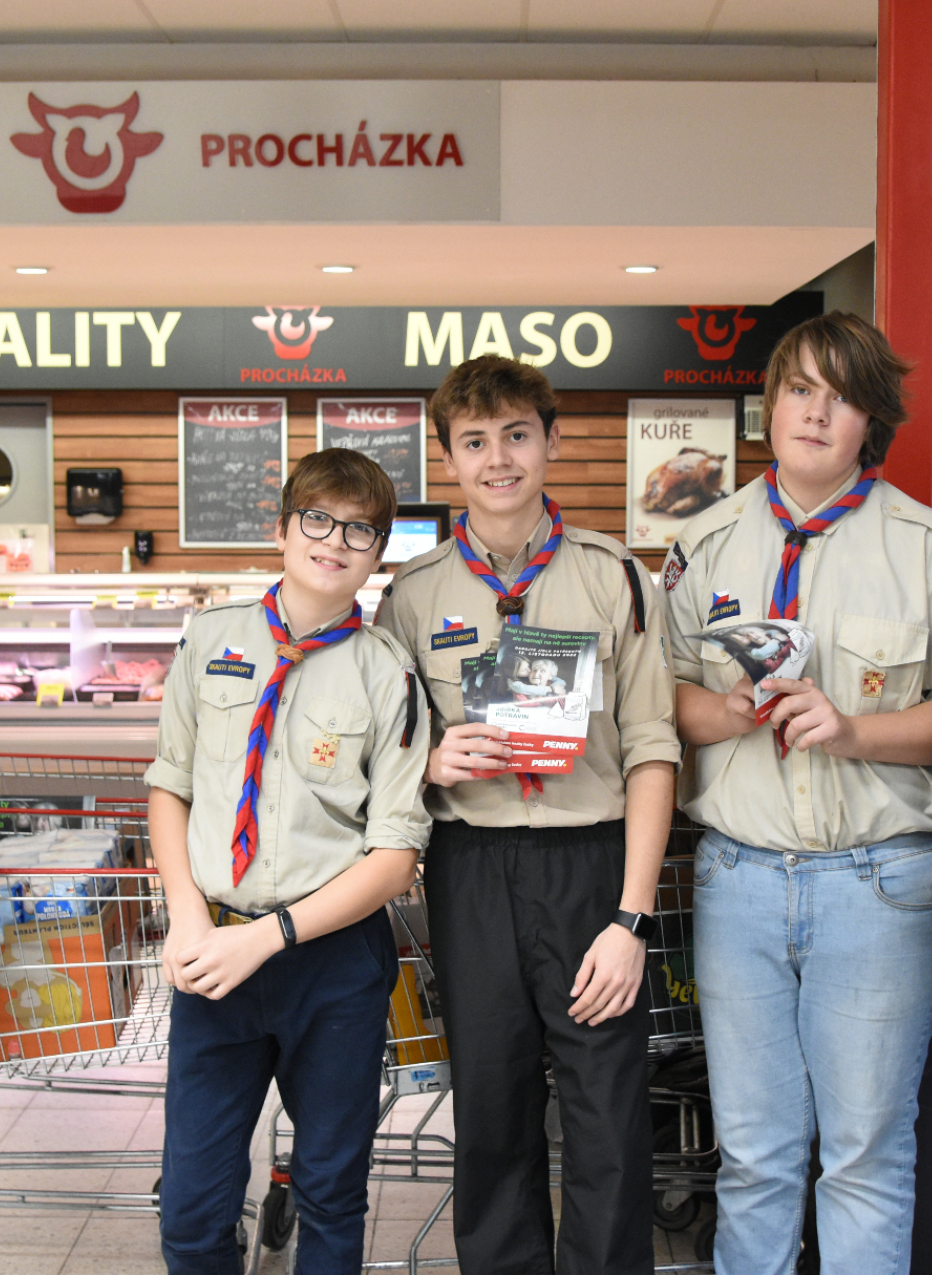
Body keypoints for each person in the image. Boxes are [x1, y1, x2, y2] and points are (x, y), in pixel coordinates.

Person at [663, 310, 932, 1275]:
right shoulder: (702, 545)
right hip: (739, 882)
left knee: (864, 1157)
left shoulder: (931, 549)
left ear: (870, 422)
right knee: (754, 1156)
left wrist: (852, 731)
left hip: (884, 887)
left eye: (841, 398)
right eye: (800, 389)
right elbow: (661, 701)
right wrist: (729, 709)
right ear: (769, 404)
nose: (816, 413)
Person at [374, 355, 679, 1275]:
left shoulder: (615, 576)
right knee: (492, 1108)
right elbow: (382, 752)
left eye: (516, 435)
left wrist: (631, 917)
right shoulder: (412, 596)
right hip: (470, 869)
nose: (498, 459)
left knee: (607, 1111)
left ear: (551, 441)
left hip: (592, 866)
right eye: (475, 442)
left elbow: (653, 748)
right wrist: (430, 764)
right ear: (448, 459)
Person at [148, 447, 431, 1275]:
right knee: (191, 1207)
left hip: (334, 966)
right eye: (318, 519)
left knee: (331, 1192)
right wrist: (189, 917)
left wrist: (265, 938)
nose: (335, 540)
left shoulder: (389, 673)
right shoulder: (210, 638)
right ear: (281, 529)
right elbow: (169, 786)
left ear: (378, 554)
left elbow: (395, 858)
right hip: (213, 957)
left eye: (360, 530)